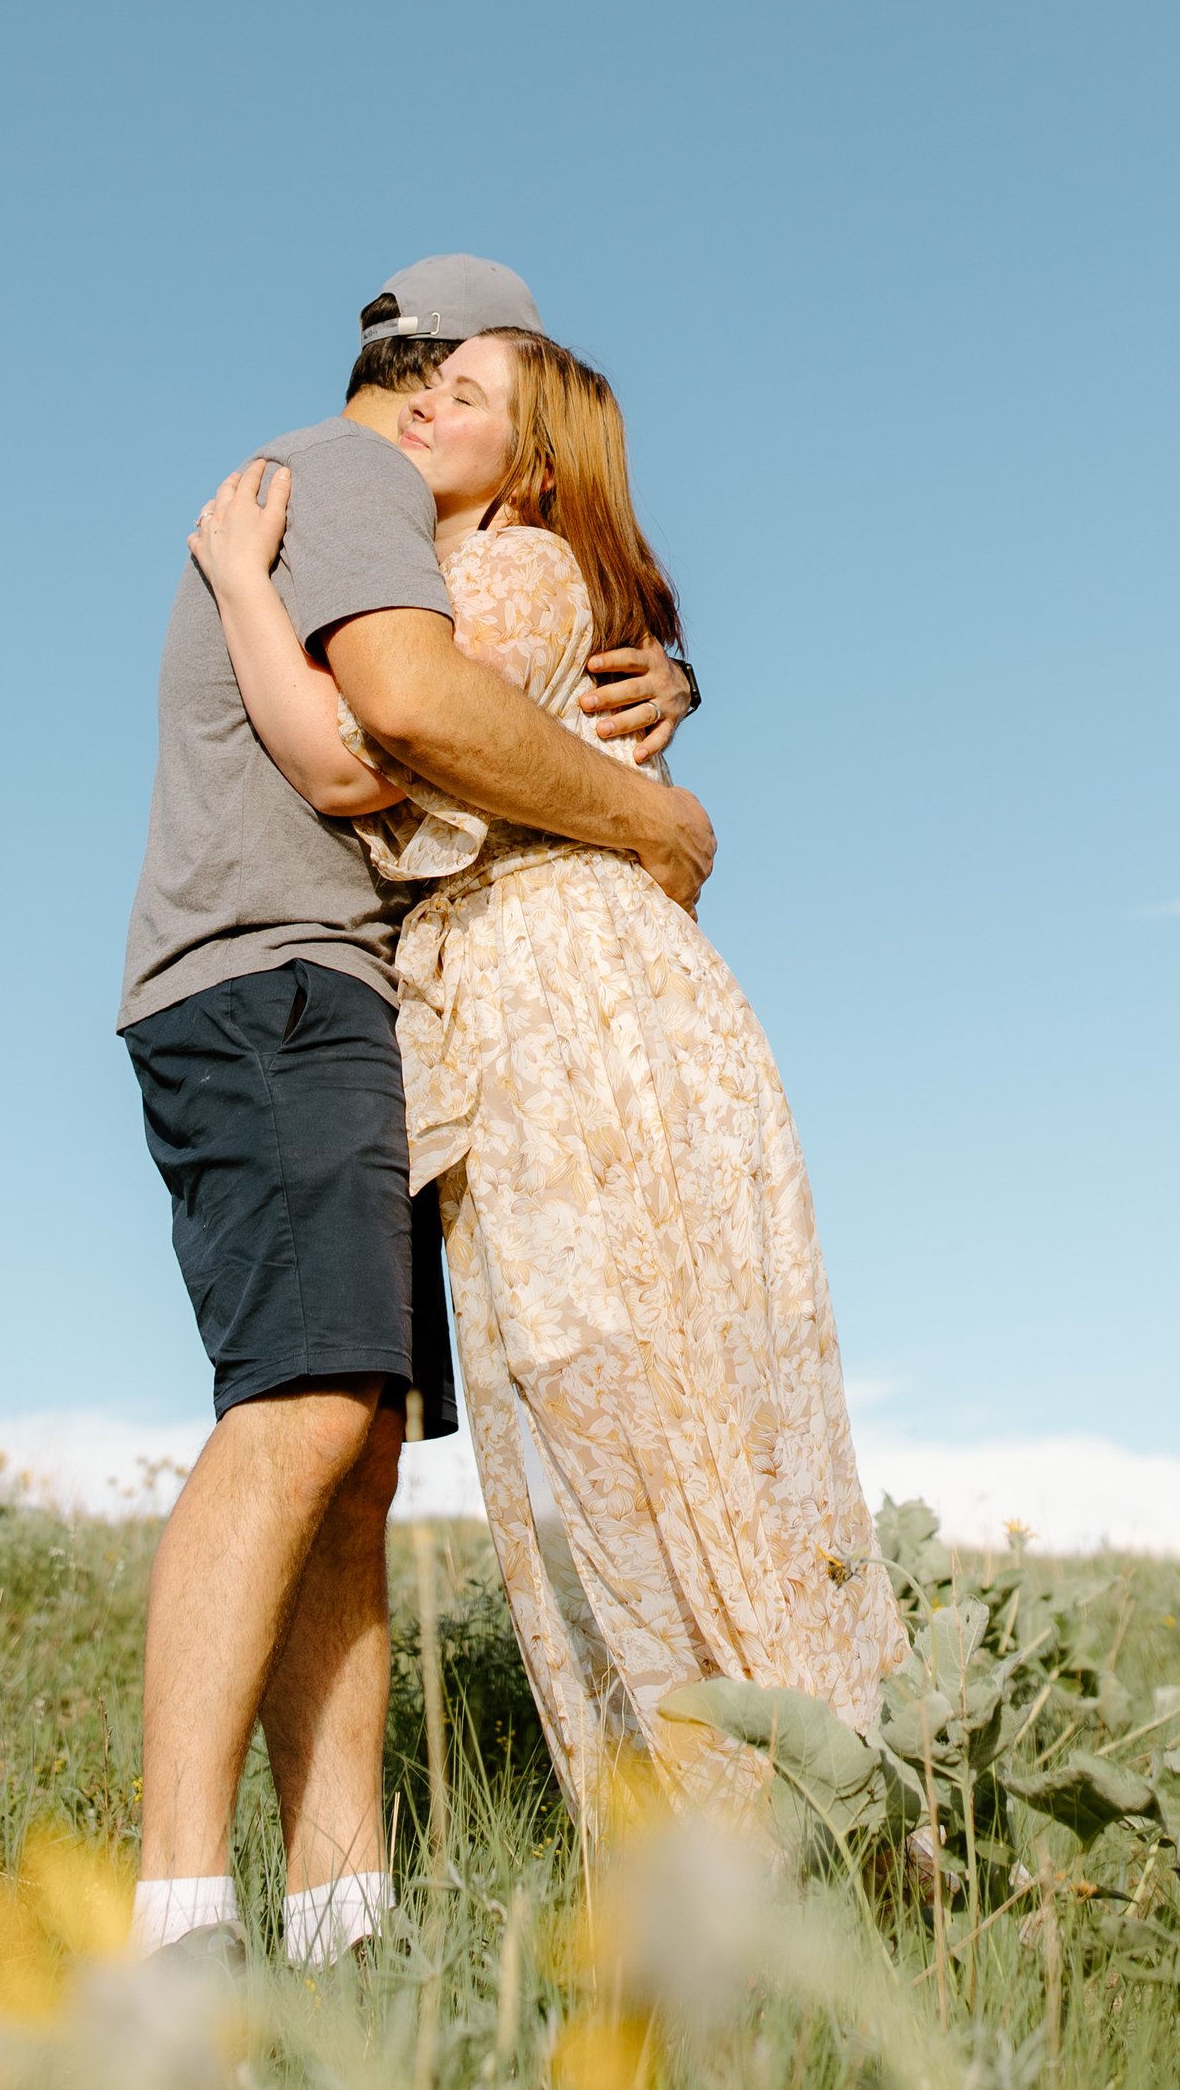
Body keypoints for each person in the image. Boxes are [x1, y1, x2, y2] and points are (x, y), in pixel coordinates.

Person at [191, 327, 904, 1821]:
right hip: (543, 989)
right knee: (633, 1402)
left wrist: (246, 583)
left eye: (467, 397)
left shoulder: (506, 570)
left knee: (625, 1397)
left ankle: (748, 1816)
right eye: (425, 382)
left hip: (568, 1001)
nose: (424, 404)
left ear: (532, 461)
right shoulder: (483, 576)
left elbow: (359, 743)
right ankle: (777, 1807)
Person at [118, 256, 709, 1968]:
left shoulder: (374, 509)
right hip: (273, 981)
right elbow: (386, 729)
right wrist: (651, 821)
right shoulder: (354, 474)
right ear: (439, 379)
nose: (478, 436)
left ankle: (341, 1907)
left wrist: (659, 673)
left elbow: (509, 669)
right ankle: (173, 1918)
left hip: (332, 998)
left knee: (357, 1447)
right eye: (477, 393)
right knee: (302, 1414)